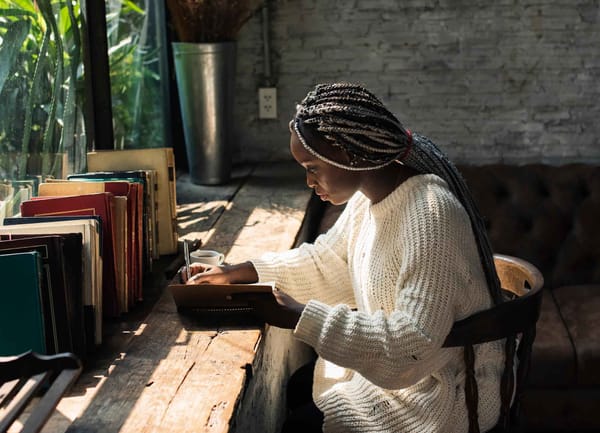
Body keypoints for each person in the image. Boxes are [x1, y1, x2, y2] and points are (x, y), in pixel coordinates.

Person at [185, 82, 505, 433]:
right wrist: (240, 273)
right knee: (298, 388)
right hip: (404, 380)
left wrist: (298, 316)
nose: (308, 181)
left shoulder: (430, 213)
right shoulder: (367, 201)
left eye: (312, 167)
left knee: (299, 425)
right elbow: (328, 265)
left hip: (444, 396)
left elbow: (412, 346)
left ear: (348, 154)